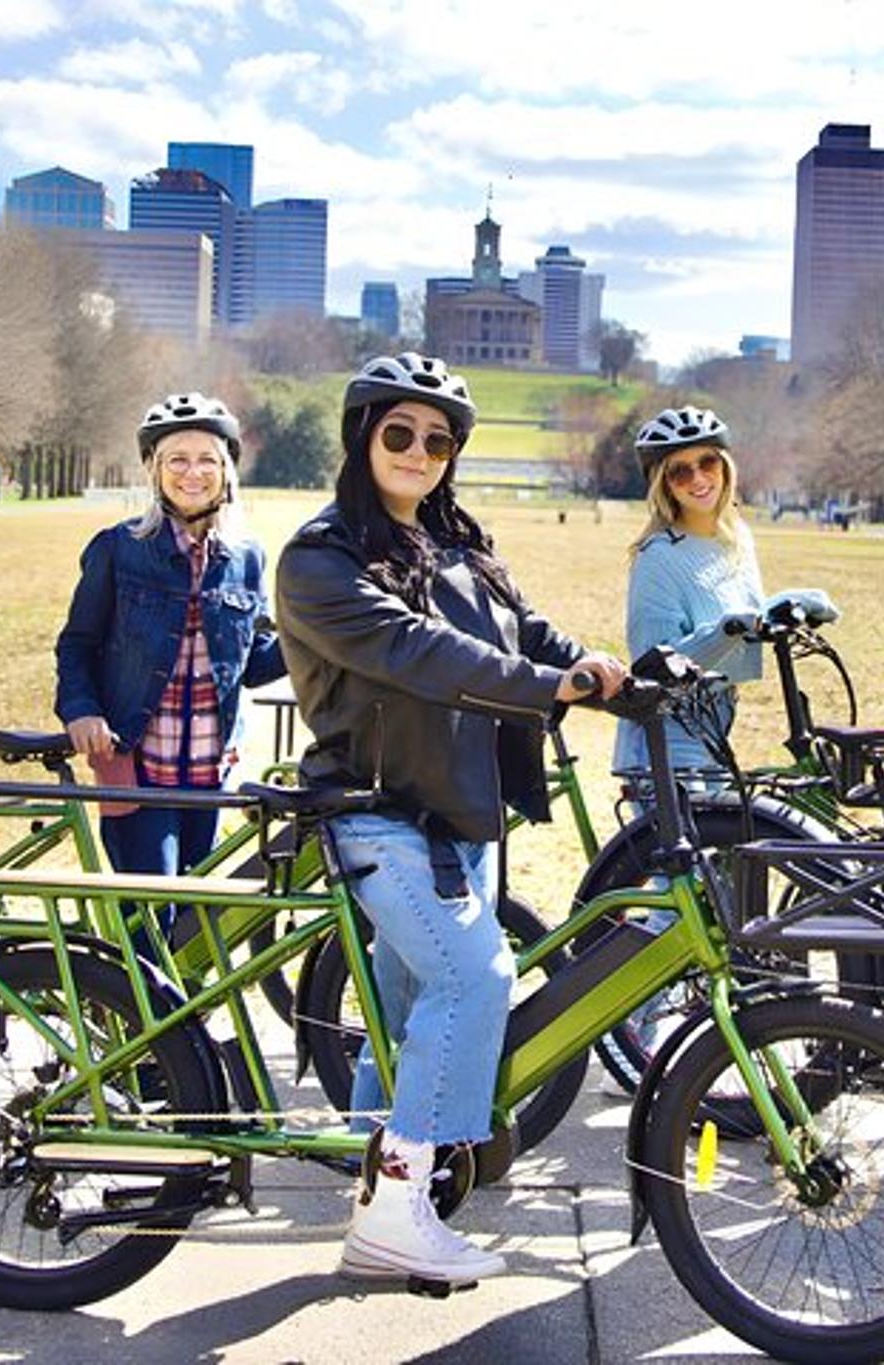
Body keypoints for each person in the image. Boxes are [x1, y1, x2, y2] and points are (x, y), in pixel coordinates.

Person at [274, 352, 626, 1287]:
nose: (419, 451)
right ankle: (396, 1211)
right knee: (478, 977)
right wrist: (551, 686)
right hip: (379, 815)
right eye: (399, 432)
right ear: (362, 437)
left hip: (463, 817)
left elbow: (525, 627)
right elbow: (416, 650)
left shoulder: (456, 543)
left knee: (400, 1014)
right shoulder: (322, 557)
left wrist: (606, 668)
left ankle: (385, 1190)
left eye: (439, 440)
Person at [54, 394, 285, 897]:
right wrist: (81, 710)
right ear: (154, 471)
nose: (192, 472)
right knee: (151, 912)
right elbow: (77, 645)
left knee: (195, 921)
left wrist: (314, 637)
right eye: (176, 459)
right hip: (136, 763)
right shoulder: (118, 549)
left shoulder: (247, 558)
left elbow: (252, 664)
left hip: (210, 770)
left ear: (226, 472)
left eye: (208, 459)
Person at [612, 406, 767, 785]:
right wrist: (724, 631)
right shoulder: (658, 556)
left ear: (725, 466)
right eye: (680, 471)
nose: (698, 478)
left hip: (716, 721)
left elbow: (753, 617)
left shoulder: (737, 538)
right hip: (667, 734)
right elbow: (653, 667)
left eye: (707, 462)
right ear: (663, 483)